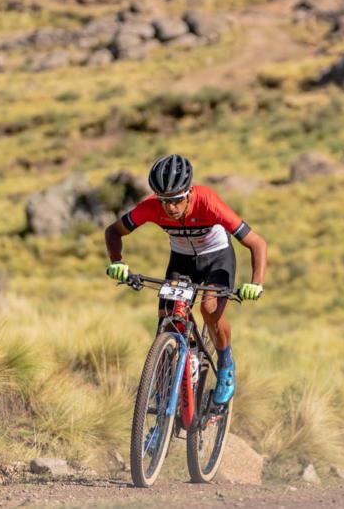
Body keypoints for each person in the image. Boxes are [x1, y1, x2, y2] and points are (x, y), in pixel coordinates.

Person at [103, 154, 268, 405]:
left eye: (177, 199)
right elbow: (113, 231)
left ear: (189, 192)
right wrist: (117, 262)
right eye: (164, 200)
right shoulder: (150, 207)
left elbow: (257, 243)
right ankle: (167, 385)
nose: (170, 207)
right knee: (167, 318)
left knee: (209, 309)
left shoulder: (208, 202)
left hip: (217, 258)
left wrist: (256, 283)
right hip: (182, 262)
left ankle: (225, 363)